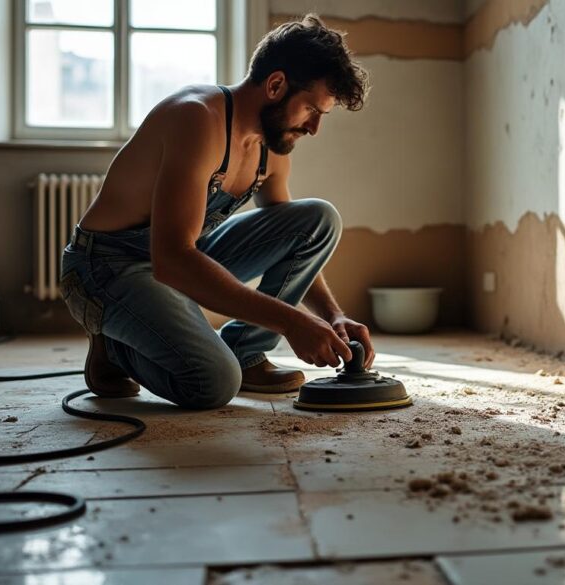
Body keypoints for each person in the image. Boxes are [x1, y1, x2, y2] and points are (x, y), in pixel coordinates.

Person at [59, 15, 372, 409]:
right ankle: (114, 347)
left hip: (178, 259)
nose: (314, 128)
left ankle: (245, 350)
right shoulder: (196, 119)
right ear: (275, 85)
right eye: (311, 109)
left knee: (317, 220)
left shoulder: (271, 149)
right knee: (214, 383)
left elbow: (295, 244)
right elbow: (172, 260)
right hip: (105, 267)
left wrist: (332, 316)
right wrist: (292, 322)